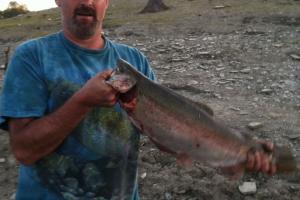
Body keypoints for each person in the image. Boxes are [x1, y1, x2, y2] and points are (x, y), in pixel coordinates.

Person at [0, 0, 276, 199]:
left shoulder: (134, 61)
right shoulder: (31, 56)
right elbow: (24, 151)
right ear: (58, 0)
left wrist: (236, 150)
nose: (86, 2)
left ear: (106, 2)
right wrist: (82, 101)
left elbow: (165, 134)